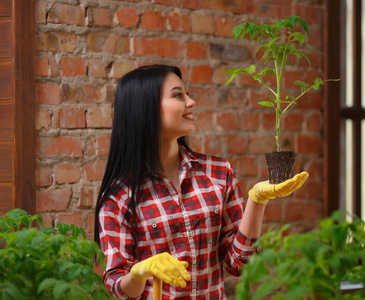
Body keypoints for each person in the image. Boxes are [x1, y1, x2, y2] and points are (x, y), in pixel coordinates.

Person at [94, 64, 308, 299]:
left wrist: (257, 201)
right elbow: (117, 286)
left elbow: (238, 264)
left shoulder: (218, 173)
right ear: (145, 108)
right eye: (178, 95)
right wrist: (139, 272)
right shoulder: (120, 196)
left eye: (187, 93)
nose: (191, 101)